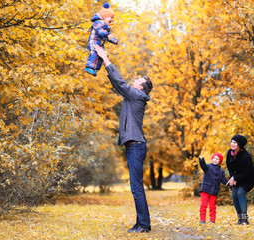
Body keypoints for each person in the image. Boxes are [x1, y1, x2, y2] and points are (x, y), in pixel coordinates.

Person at [93, 44, 153, 233]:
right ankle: (140, 223)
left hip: (136, 146)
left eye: (137, 79)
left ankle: (144, 225)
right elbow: (117, 84)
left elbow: (120, 82)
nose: (133, 80)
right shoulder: (133, 96)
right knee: (135, 187)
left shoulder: (137, 95)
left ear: (140, 87)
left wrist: (105, 58)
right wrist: (104, 64)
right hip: (134, 146)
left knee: (136, 187)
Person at [226, 135, 254, 225]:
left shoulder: (246, 156)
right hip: (237, 177)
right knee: (234, 193)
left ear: (239, 144)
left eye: (234, 142)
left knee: (240, 192)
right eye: (231, 141)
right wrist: (233, 177)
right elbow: (229, 167)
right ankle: (239, 219)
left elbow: (247, 173)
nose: (232, 144)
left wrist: (235, 178)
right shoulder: (230, 153)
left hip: (249, 178)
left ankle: (244, 220)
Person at [85, 3, 119, 76]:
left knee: (102, 55)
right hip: (93, 41)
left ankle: (95, 68)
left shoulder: (105, 27)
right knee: (94, 52)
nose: (112, 20)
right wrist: (107, 34)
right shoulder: (98, 22)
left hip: (100, 44)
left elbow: (107, 37)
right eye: (111, 17)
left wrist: (114, 40)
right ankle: (89, 67)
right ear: (104, 17)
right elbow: (100, 31)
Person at [198, 153, 228, 224]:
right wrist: (201, 160)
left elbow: (224, 180)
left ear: (220, 161)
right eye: (214, 158)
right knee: (203, 205)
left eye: (217, 159)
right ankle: (202, 220)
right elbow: (203, 165)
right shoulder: (208, 167)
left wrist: (230, 183)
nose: (215, 160)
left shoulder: (221, 172)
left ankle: (212, 220)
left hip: (214, 191)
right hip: (205, 189)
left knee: (212, 207)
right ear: (212, 159)